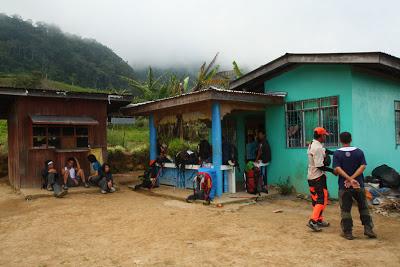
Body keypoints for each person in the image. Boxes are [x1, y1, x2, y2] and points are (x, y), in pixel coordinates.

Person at [333, 132, 377, 240]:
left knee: (345, 209)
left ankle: (348, 232)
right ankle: (368, 229)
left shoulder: (337, 153)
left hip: (344, 186)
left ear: (340, 140)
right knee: (363, 207)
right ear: (351, 139)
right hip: (359, 185)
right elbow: (363, 166)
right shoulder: (359, 152)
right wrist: (353, 178)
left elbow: (337, 169)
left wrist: (349, 179)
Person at [306, 127, 334, 232]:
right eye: (325, 135)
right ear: (321, 136)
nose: (325, 137)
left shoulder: (313, 144)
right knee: (322, 199)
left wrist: (335, 153)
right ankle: (313, 221)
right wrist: (332, 171)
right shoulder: (317, 148)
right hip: (317, 177)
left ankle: (318, 219)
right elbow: (319, 166)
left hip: (311, 176)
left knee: (316, 199)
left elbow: (325, 150)